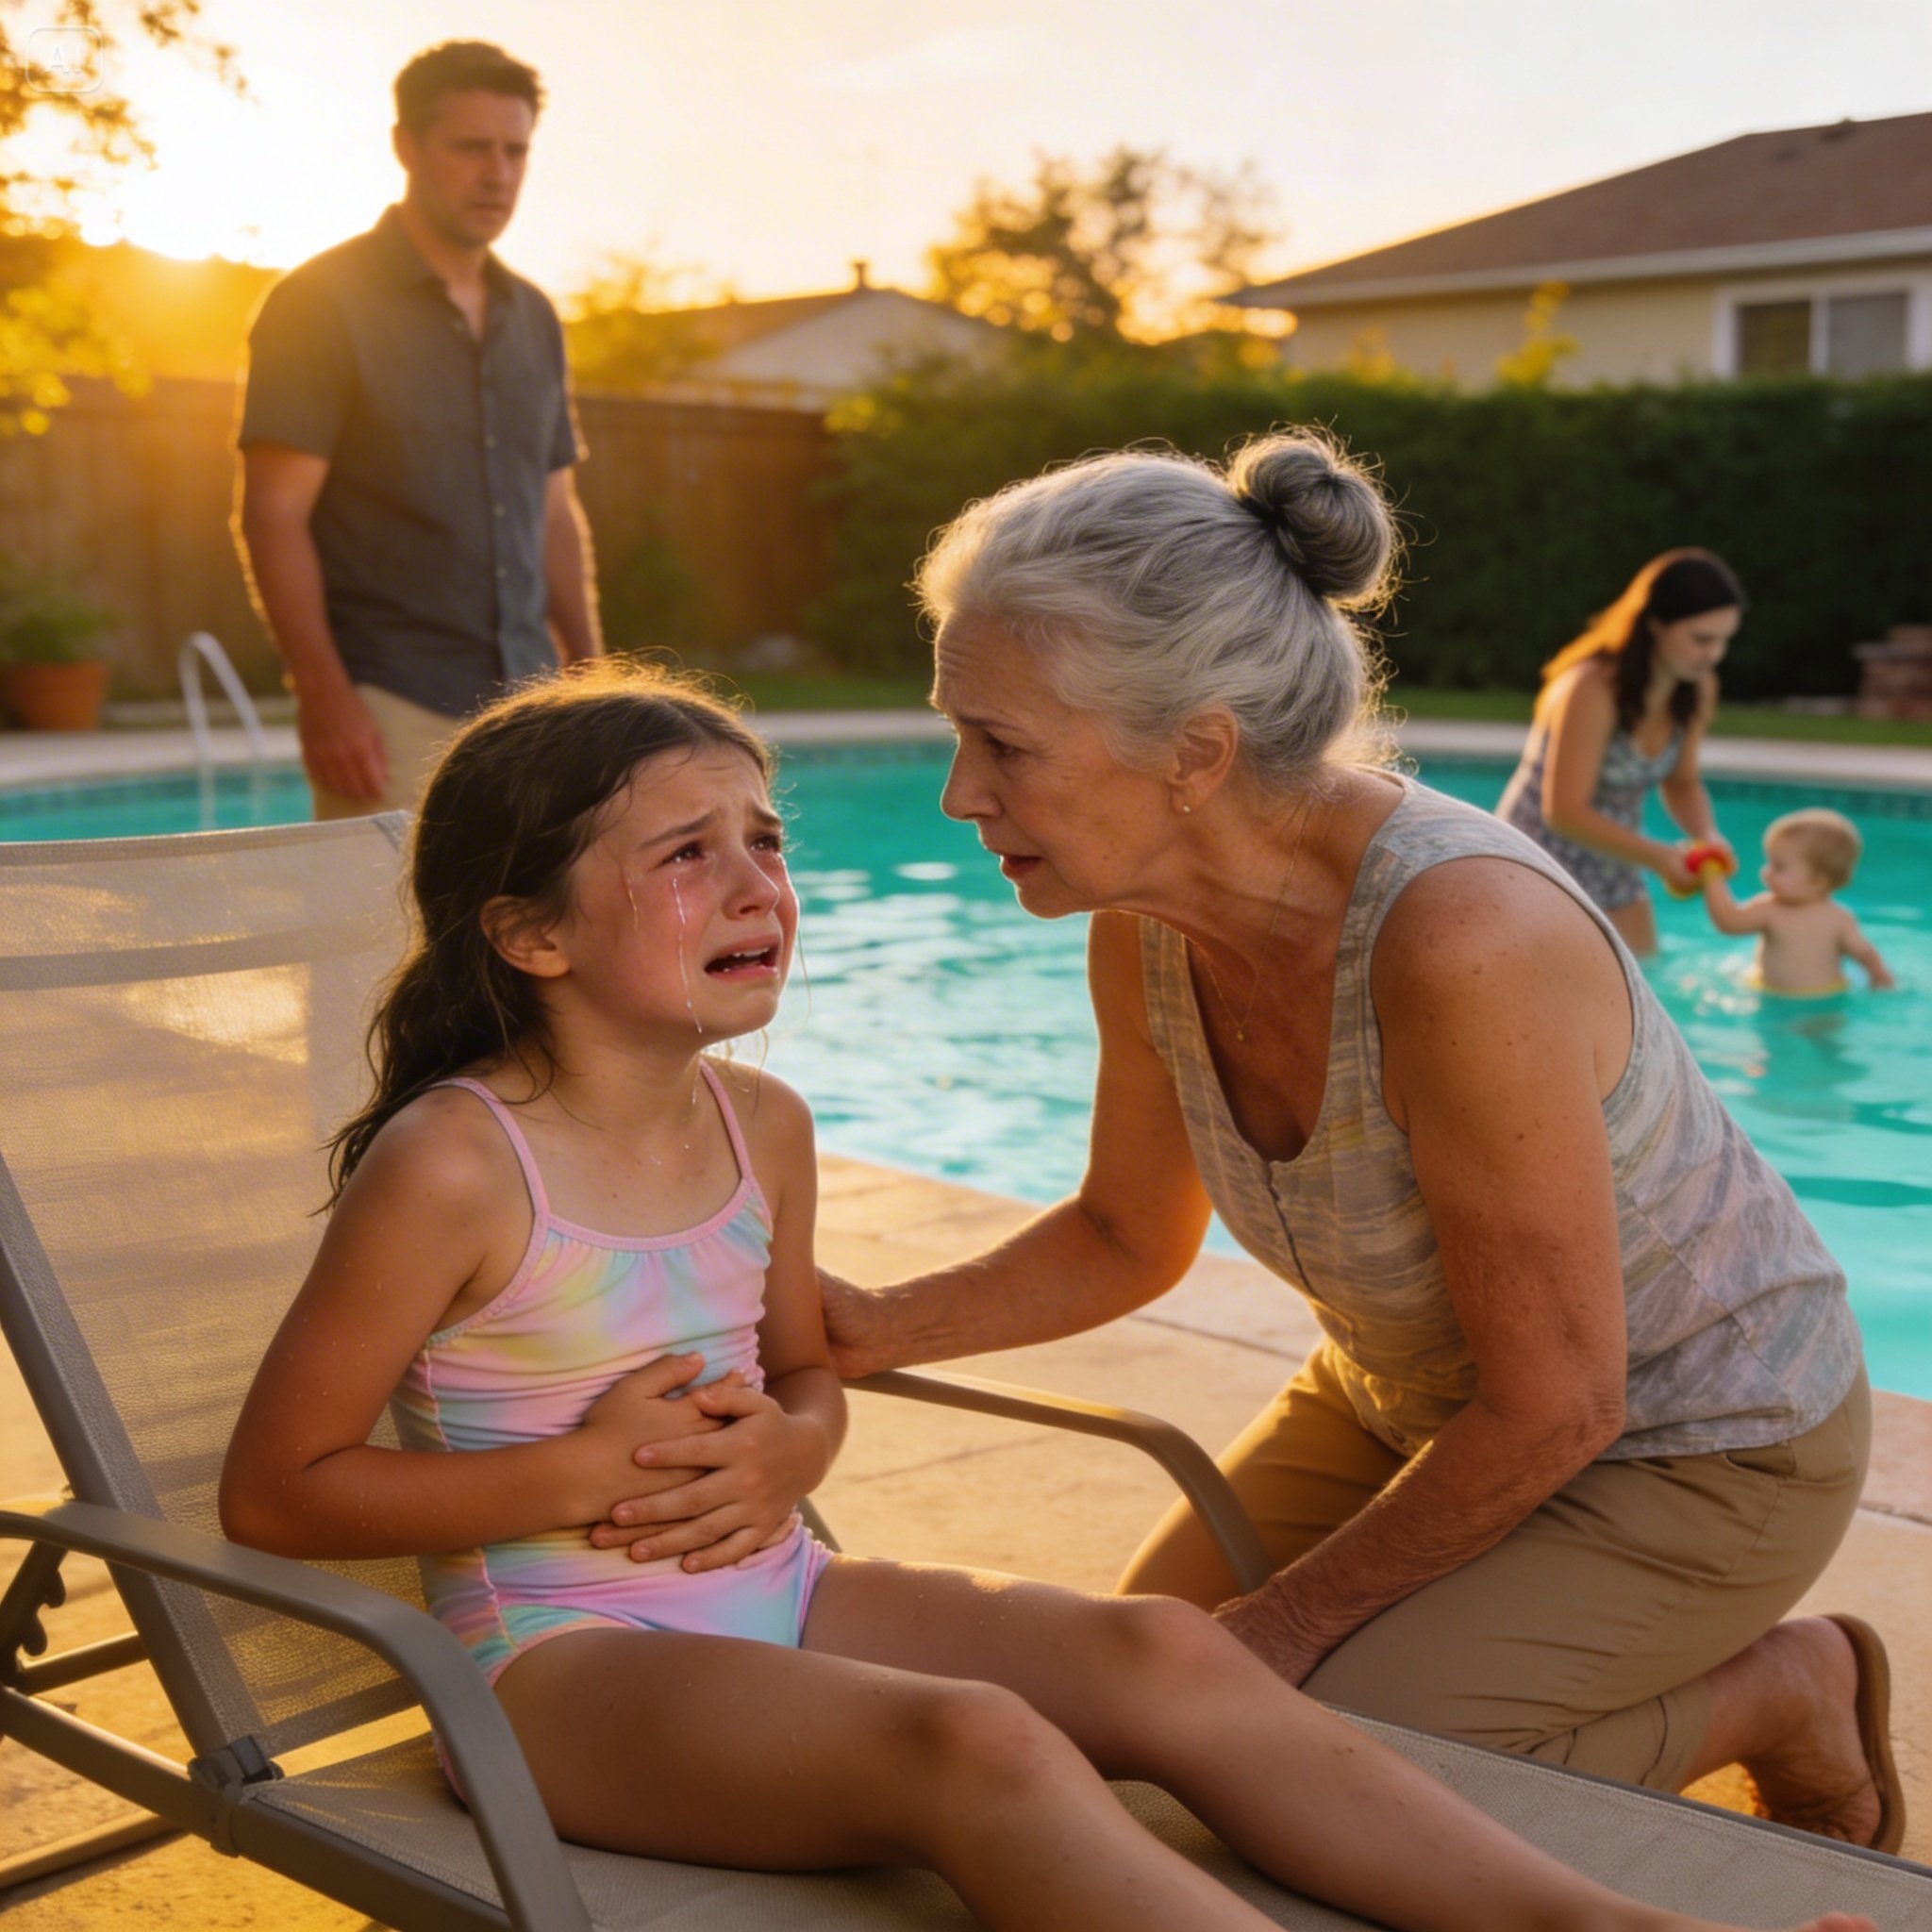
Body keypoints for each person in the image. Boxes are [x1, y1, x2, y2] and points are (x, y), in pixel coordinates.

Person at [216, 664, 1872, 1932]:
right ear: (529, 933)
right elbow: (279, 1490)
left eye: (765, 839)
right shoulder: (457, 1163)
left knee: (1161, 1653)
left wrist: (797, 1447)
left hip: (784, 1591)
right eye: (684, 854)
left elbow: (803, 1375)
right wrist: (576, 1475)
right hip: (555, 1669)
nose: (756, 882)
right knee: (983, 1747)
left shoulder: (761, 1127)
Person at [822, 435, 1904, 1857]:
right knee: (1119, 1719)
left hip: (1700, 1440)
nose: (960, 793)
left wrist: (1274, 1635)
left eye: (1003, 745)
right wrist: (862, 1327)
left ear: (1196, 752)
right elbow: (1125, 1233)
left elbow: (1562, 1401)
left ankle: (1784, 1689)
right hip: (1421, 1400)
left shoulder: (1463, 941)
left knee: (1317, 1776)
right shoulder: (1143, 918)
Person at [234, 40, 601, 821]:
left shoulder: (535, 316)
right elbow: (273, 513)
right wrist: (324, 695)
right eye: (471, 147)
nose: (497, 173)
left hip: (532, 709)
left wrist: (593, 674)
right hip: (390, 708)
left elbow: (553, 513)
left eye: (515, 151)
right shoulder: (319, 303)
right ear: (406, 146)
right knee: (384, 908)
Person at [1495, 551, 1743, 956]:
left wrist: (1708, 835)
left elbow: (1682, 783)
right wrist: (1661, 858)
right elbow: (1564, 811)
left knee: (1643, 977)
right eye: (1702, 639)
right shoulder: (1593, 687)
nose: (1714, 654)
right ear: (1656, 624)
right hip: (1538, 860)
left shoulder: (1698, 687)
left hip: (1617, 861)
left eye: (1723, 641)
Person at [1700, 808, 1896, 996]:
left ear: (1818, 880)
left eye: (1779, 867)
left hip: (1797, 997)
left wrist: (1711, 874)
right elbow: (1865, 954)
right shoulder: (1838, 917)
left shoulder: (1773, 910)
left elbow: (1728, 920)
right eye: (1769, 862)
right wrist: (1880, 977)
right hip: (1824, 996)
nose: (1766, 872)